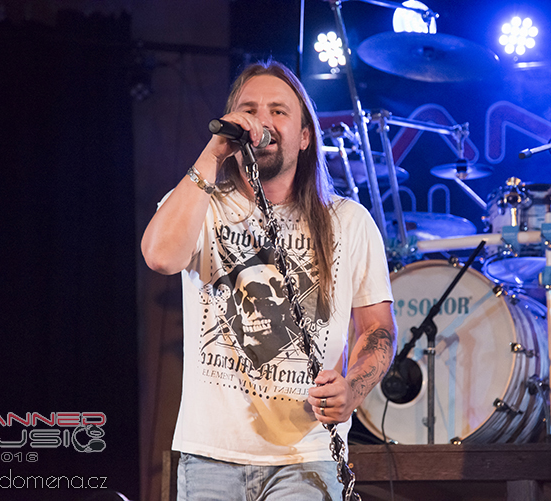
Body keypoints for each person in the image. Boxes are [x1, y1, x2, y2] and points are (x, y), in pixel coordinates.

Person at [141, 60, 396, 500]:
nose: (261, 121)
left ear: (305, 135)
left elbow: (377, 329)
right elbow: (160, 257)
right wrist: (213, 154)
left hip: (307, 458)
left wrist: (353, 389)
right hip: (210, 457)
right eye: (249, 110)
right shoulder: (203, 205)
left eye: (278, 111)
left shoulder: (348, 222)